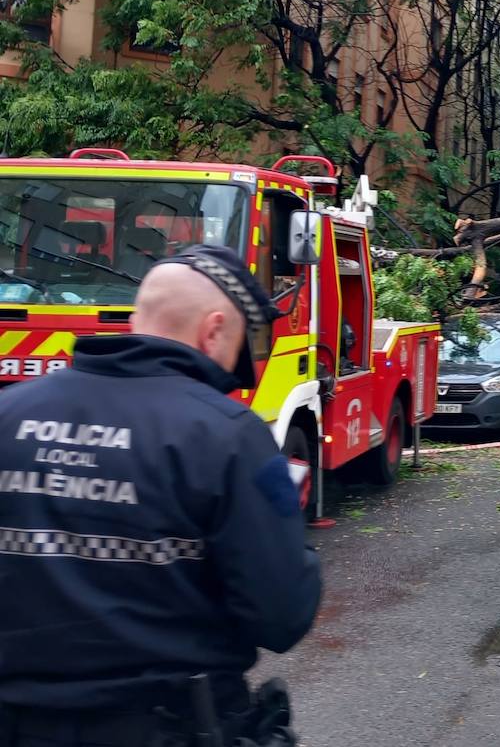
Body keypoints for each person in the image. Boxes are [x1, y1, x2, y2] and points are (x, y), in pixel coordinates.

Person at [0, 244, 321, 746]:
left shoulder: (8, 414)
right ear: (213, 330)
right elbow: (282, 615)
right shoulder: (229, 435)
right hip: (166, 729)